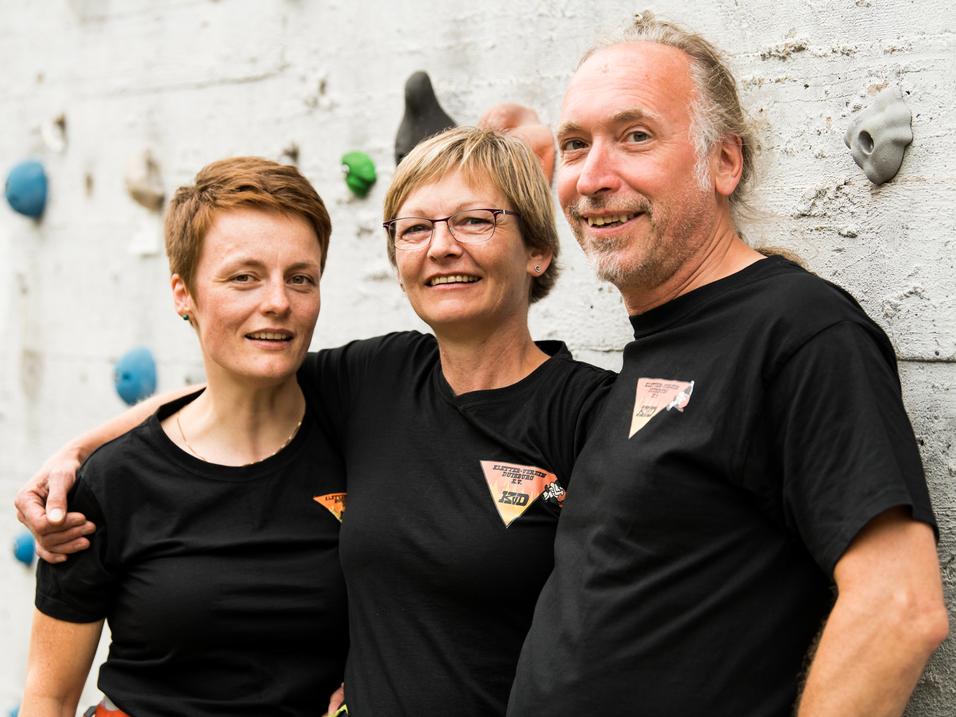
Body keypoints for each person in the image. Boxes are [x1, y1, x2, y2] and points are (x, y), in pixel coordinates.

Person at [17, 128, 615, 716]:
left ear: (538, 251)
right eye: (415, 228)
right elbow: (237, 379)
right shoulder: (380, 375)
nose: (441, 247)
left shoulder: (589, 414)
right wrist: (79, 451)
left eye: (474, 221)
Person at [506, 12, 948, 717]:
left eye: (635, 136)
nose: (591, 177)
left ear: (726, 161)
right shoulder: (654, 348)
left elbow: (899, 606)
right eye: (574, 144)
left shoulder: (800, 329)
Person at [21, 157, 348, 717]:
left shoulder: (365, 426)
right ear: (183, 293)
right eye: (243, 276)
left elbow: (541, 490)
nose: (278, 301)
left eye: (301, 277)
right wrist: (78, 452)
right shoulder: (109, 484)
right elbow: (48, 697)